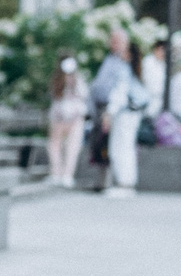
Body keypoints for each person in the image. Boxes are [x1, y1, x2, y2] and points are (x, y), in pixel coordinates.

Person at [88, 31, 143, 197]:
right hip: (127, 113)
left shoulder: (124, 70)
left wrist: (109, 113)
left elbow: (119, 94)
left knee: (119, 148)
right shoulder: (130, 69)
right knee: (123, 147)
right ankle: (125, 183)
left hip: (123, 114)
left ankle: (124, 184)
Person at [45, 56, 87, 189]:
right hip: (61, 118)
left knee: (70, 147)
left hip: (71, 118)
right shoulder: (60, 82)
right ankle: (58, 174)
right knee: (58, 146)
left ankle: (65, 175)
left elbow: (83, 96)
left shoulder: (77, 81)